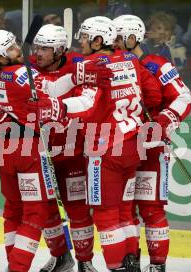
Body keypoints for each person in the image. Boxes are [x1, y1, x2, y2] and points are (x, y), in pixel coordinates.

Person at [30, 16, 162, 272]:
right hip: (133, 145)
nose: (80, 42)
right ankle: (130, 264)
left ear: (98, 40)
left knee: (105, 214)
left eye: (84, 38)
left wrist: (55, 108)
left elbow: (87, 104)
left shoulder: (93, 63)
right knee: (124, 211)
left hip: (107, 148)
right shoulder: (130, 60)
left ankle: (117, 267)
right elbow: (154, 95)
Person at [0, 30, 105, 272]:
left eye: (16, 44)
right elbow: (52, 87)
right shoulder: (22, 73)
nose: (21, 50)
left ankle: (23, 264)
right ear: (0, 57)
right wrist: (79, 75)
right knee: (36, 213)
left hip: (9, 148)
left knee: (14, 210)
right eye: (12, 47)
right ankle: (20, 266)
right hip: (29, 148)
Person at [113, 14, 191, 272]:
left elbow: (182, 97)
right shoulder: (110, 65)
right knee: (124, 209)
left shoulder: (157, 65)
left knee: (151, 208)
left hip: (151, 148)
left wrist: (163, 121)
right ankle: (130, 262)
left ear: (133, 37)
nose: (114, 43)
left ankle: (157, 265)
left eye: (119, 38)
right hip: (122, 148)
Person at [30, 24, 111, 272]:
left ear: (59, 50)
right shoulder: (28, 67)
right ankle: (61, 256)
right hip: (39, 149)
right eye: (37, 47)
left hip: (72, 148)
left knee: (77, 208)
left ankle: (85, 262)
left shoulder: (79, 63)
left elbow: (87, 104)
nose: (39, 53)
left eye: (45, 48)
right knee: (44, 207)